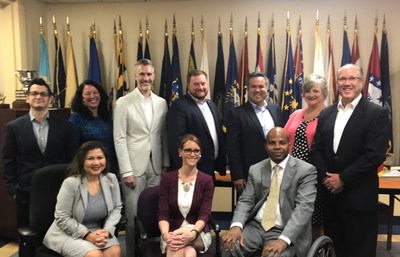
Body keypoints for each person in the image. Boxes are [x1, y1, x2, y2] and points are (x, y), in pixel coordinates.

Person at [310, 64, 389, 257]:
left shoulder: (376, 114)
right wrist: (327, 179)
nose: (347, 83)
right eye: (342, 79)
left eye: (352, 79)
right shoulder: (327, 113)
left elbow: (374, 155)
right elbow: (316, 150)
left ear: (361, 82)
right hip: (331, 197)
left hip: (359, 198)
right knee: (335, 249)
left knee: (359, 251)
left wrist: (343, 178)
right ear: (337, 83)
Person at [222, 127, 317, 257]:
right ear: (266, 146)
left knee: (274, 255)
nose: (277, 147)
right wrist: (236, 226)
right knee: (229, 247)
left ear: (289, 145)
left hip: (285, 229)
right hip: (256, 226)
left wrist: (283, 240)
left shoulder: (305, 171)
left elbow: (304, 209)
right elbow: (245, 201)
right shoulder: (256, 169)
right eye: (272, 143)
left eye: (282, 142)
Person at [1, 77, 78, 227]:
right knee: (30, 237)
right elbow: (7, 161)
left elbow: (73, 158)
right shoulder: (13, 128)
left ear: (50, 99)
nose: (38, 97)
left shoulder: (65, 126)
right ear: (27, 98)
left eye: (43, 94)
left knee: (60, 233)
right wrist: (13, 190)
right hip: (26, 192)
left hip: (59, 190)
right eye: (34, 93)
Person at [113, 58, 169, 257]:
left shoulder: (162, 102)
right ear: (135, 76)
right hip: (133, 169)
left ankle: (153, 251)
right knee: (133, 215)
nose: (145, 78)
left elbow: (163, 135)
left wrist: (165, 164)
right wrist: (126, 171)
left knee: (156, 213)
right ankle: (132, 253)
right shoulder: (123, 102)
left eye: (149, 74)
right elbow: (119, 139)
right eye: (142, 74)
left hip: (156, 168)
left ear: (153, 76)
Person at [43, 140, 122, 257]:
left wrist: (107, 231)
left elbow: (116, 208)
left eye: (100, 157)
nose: (96, 162)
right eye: (90, 158)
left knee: (114, 253)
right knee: (95, 255)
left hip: (99, 230)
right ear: (82, 161)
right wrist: (87, 235)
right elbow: (62, 217)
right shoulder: (71, 183)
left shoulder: (111, 179)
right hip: (69, 233)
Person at [284, 73, 327, 240]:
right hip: (292, 172)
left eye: (315, 91)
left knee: (314, 217)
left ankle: (317, 250)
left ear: (324, 93)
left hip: (315, 174)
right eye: (307, 91)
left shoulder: (329, 115)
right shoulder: (295, 114)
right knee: (292, 215)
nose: (311, 95)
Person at [226, 72, 283, 195]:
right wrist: (237, 175)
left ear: (267, 88)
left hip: (276, 171)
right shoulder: (236, 114)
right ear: (247, 89)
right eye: (253, 87)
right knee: (251, 211)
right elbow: (233, 147)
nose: (258, 90)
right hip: (249, 175)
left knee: (275, 209)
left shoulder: (276, 110)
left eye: (261, 86)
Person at [158, 134, 214, 257]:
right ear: (180, 152)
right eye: (188, 150)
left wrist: (193, 233)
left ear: (200, 153)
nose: (192, 154)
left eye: (196, 150)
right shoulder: (167, 179)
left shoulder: (207, 180)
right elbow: (163, 213)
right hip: (172, 232)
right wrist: (165, 235)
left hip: (197, 232)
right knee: (188, 252)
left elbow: (204, 214)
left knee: (177, 249)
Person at [167, 69, 226, 179]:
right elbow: (176, 141)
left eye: (203, 83)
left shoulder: (212, 105)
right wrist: (185, 170)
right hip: (190, 171)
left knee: (208, 197)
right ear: (188, 85)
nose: (200, 87)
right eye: (196, 84)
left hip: (210, 169)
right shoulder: (179, 107)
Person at [69, 80, 118, 173]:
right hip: (90, 169)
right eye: (87, 94)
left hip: (110, 167)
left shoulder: (107, 117)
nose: (92, 96)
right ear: (81, 98)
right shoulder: (76, 119)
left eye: (95, 92)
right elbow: (74, 149)